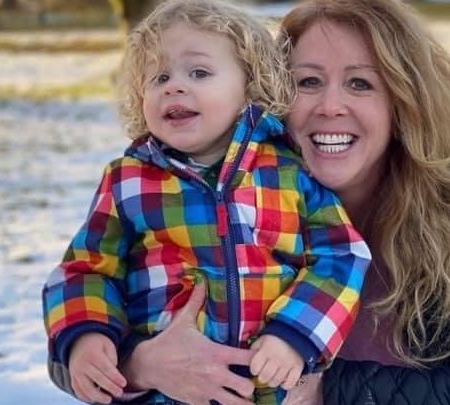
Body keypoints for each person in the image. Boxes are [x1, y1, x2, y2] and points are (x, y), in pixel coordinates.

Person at [46, 0, 450, 404]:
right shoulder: (162, 187)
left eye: (360, 83)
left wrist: (327, 388)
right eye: (308, 81)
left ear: (403, 103)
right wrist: (139, 364)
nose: (330, 106)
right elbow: (85, 285)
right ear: (270, 91)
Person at [41, 1, 371, 404]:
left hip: (267, 389)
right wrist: (86, 336)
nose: (174, 86)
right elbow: (85, 269)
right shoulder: (129, 182)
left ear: (249, 87)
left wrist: (295, 335)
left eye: (199, 72)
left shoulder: (289, 174)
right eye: (159, 77)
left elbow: (343, 256)